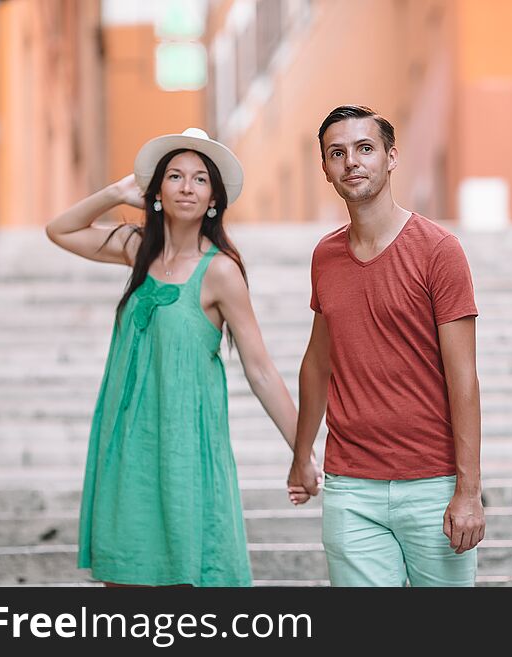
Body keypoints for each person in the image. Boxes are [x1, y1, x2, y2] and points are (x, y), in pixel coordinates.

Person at [46, 128, 317, 587]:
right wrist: (117, 192)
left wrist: (303, 452)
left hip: (184, 445)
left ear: (214, 197)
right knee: (124, 574)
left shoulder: (222, 272)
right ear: (157, 192)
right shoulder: (135, 249)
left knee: (187, 579)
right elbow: (60, 230)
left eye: (199, 179)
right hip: (126, 440)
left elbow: (261, 370)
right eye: (174, 176)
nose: (187, 187)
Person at [287, 106, 485, 587]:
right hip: (351, 487)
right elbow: (317, 363)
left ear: (391, 157)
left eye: (365, 148)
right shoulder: (325, 256)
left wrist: (468, 490)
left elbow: (464, 378)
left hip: (433, 485)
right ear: (326, 169)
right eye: (338, 153)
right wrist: (300, 453)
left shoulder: (439, 250)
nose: (352, 161)